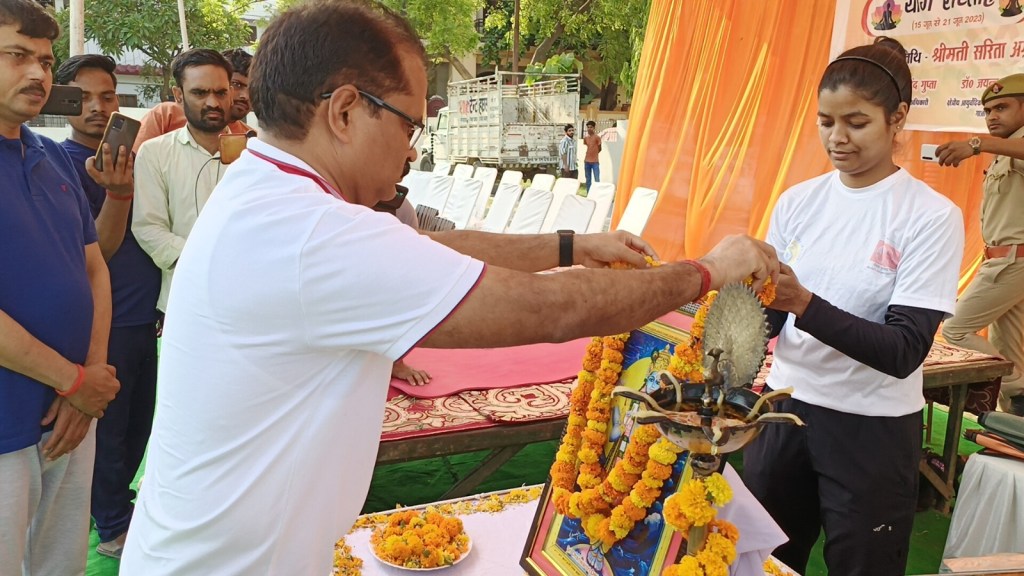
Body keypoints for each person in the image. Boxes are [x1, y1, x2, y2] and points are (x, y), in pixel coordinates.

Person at [118, 1, 779, 574]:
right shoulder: (309, 232)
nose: (412, 149)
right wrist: (708, 271)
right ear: (345, 111)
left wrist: (574, 245)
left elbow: (426, 248)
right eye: (409, 124)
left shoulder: (272, 191)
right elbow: (551, 311)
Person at [743, 38, 965, 576]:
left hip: (872, 429)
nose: (837, 138)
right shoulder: (798, 201)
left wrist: (805, 303)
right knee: (762, 562)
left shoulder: (930, 216)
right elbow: (772, 314)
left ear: (897, 119)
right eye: (825, 122)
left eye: (856, 123)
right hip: (784, 412)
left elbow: (903, 351)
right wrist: (726, 343)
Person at [0, 1, 120, 573]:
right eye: (16, 55)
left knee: (61, 563)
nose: (38, 74)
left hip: (70, 416)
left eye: (46, 61)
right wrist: (74, 380)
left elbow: (93, 268)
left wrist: (88, 380)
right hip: (7, 425)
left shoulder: (50, 156)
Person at [56, 53, 162, 559]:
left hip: (145, 316)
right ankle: (114, 525)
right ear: (61, 102)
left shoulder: (138, 161)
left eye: (108, 95)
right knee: (110, 433)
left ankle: (123, 507)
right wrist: (118, 195)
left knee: (141, 423)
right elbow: (100, 251)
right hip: (105, 323)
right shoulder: (62, 166)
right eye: (83, 98)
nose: (99, 107)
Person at [936, 73, 1024, 416]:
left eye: (1002, 107)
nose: (992, 116)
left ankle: (1017, 389)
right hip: (1006, 262)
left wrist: (976, 144)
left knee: (955, 329)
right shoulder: (1005, 150)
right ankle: (1014, 424)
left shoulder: (1010, 147)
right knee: (1008, 348)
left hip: (1013, 262)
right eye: (987, 111)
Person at [132, 48, 236, 312]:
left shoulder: (256, 153)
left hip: (245, 299)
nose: (213, 103)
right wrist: (204, 260)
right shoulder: (155, 153)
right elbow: (148, 228)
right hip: (183, 302)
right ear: (178, 95)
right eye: (200, 93)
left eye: (221, 93)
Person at [132, 47, 253, 153]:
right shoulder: (165, 115)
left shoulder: (252, 140)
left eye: (252, 87)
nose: (245, 96)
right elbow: (134, 164)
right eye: (237, 84)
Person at [583, 119, 601, 191]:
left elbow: (600, 148)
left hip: (595, 162)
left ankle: (597, 193)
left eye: (591, 127)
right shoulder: (586, 138)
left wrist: (594, 154)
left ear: (594, 128)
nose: (589, 128)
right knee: (588, 179)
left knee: (597, 179)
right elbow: (588, 146)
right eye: (588, 127)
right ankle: (588, 193)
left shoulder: (597, 137)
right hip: (587, 162)